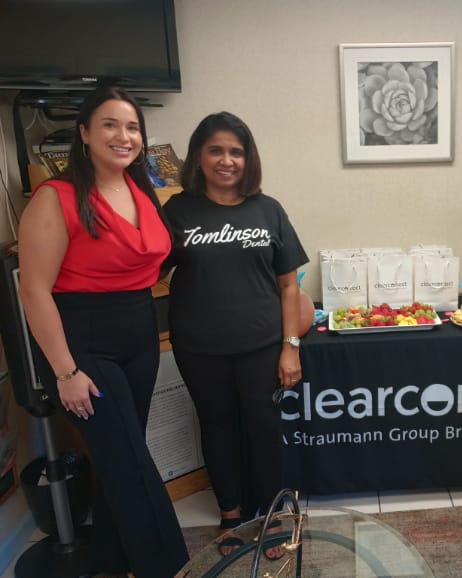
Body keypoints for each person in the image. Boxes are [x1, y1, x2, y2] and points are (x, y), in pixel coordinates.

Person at [18, 86, 189, 577]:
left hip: (138, 332)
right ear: (85, 133)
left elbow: (150, 262)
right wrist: (65, 371)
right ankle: (170, 566)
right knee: (134, 462)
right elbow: (34, 291)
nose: (124, 135)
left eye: (133, 126)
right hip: (83, 339)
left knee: (121, 457)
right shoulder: (57, 197)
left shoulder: (141, 191)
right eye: (111, 124)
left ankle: (115, 560)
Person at [163, 112, 308, 558]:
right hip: (198, 347)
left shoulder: (268, 210)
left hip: (261, 347)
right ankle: (231, 513)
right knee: (217, 428)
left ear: (248, 159)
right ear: (199, 157)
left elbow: (289, 286)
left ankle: (271, 515)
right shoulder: (177, 210)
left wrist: (291, 348)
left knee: (264, 430)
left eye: (236, 151)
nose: (227, 160)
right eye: (216, 150)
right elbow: (148, 266)